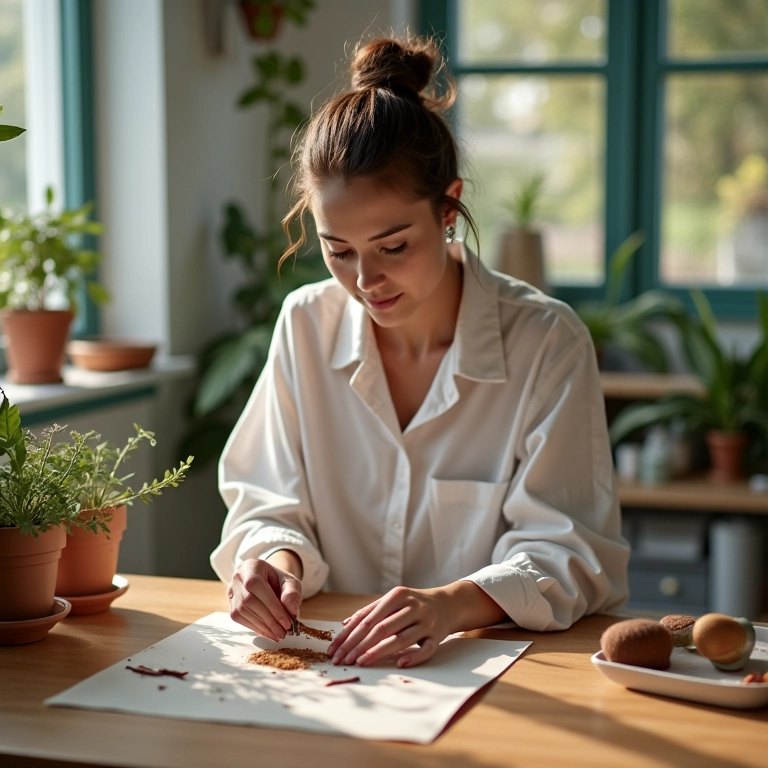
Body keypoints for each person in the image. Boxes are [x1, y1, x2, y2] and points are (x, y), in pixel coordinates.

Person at [211, 35, 629, 670]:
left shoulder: (547, 342)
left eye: (394, 245)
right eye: (339, 250)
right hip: (333, 683)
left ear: (448, 209)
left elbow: (572, 550)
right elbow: (267, 500)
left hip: (503, 682)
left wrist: (449, 605)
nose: (365, 281)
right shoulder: (304, 325)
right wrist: (274, 562)